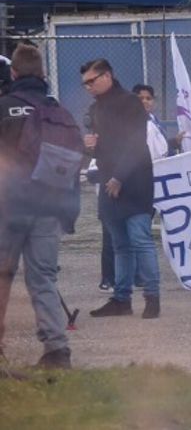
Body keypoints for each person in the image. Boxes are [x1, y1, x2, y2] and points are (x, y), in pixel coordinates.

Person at [0, 44, 79, 369]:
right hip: (48, 208)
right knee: (44, 278)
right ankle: (56, 350)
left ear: (13, 73)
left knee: (2, 277)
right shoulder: (57, 110)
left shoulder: (4, 106)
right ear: (43, 74)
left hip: (9, 208)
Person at [82, 59, 161, 320]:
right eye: (85, 84)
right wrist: (91, 147)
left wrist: (119, 177)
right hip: (108, 182)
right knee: (119, 245)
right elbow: (105, 147)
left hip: (135, 182)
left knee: (140, 240)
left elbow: (135, 144)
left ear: (107, 76)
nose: (88, 87)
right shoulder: (96, 108)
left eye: (92, 81)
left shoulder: (130, 103)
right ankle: (121, 298)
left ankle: (152, 298)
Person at [132, 84, 169, 160]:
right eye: (141, 98)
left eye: (148, 98)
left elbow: (159, 145)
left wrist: (175, 141)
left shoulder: (152, 119)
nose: (145, 101)